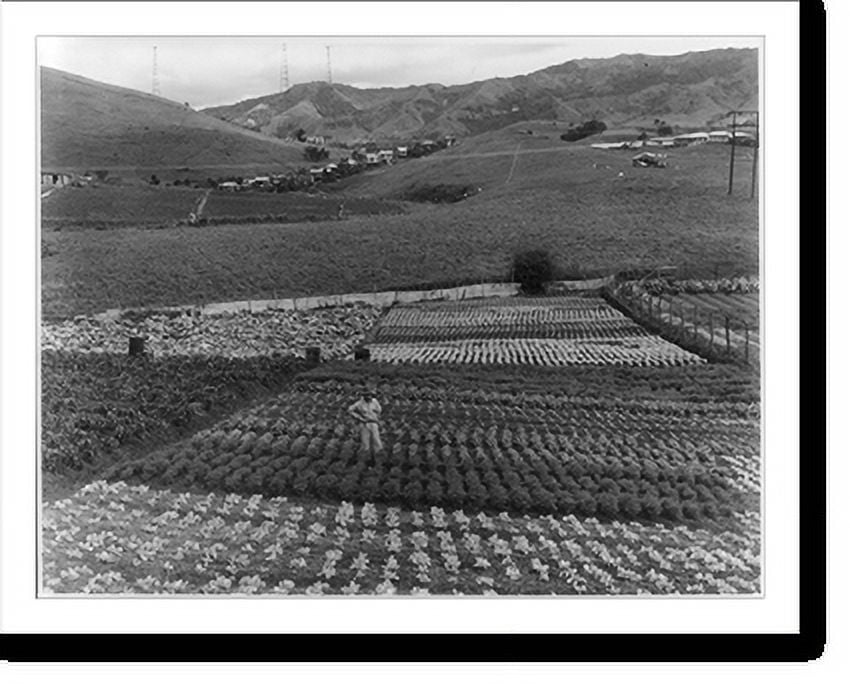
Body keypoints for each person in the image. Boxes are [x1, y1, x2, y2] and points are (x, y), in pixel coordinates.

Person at [347, 386, 383, 455]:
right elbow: (350, 410)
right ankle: (366, 458)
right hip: (364, 424)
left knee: (377, 441)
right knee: (365, 442)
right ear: (364, 396)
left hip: (374, 423)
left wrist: (376, 415)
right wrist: (359, 417)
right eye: (366, 395)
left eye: (369, 395)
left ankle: (377, 457)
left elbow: (380, 410)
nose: (369, 396)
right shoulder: (360, 403)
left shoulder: (375, 401)